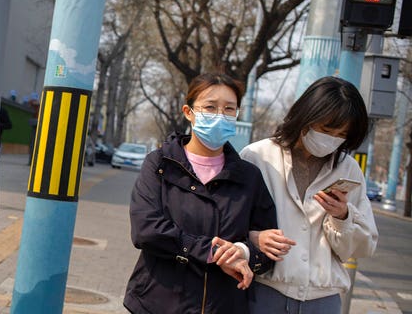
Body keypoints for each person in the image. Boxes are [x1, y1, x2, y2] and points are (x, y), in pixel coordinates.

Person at [123, 73, 278, 313]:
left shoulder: (249, 177)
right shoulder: (160, 164)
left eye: (229, 109)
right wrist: (211, 251)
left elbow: (267, 249)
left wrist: (243, 252)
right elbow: (146, 230)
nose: (219, 115)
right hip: (158, 303)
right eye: (210, 107)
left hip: (223, 305)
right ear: (188, 112)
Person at [240, 76, 378, 314]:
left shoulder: (348, 169)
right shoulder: (257, 157)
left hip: (323, 298)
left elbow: (362, 247)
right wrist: (255, 237)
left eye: (341, 134)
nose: (331, 139)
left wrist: (343, 216)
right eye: (325, 129)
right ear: (305, 117)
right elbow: (228, 222)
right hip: (263, 291)